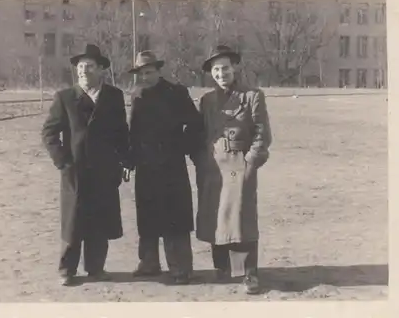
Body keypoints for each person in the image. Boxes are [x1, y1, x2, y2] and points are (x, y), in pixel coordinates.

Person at [41, 44, 130, 286]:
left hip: (105, 171)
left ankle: (96, 269)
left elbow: (121, 132)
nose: (83, 71)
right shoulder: (65, 97)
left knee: (100, 222)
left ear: (101, 70)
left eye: (89, 66)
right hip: (75, 172)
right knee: (73, 222)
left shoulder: (114, 96)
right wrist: (63, 162)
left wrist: (125, 160)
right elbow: (49, 133)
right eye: (80, 66)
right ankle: (66, 270)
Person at [194, 45, 272, 294]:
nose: (221, 73)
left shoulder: (252, 95)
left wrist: (251, 160)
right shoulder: (206, 100)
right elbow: (200, 133)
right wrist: (200, 159)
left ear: (235, 68)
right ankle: (222, 268)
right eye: (216, 69)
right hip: (213, 166)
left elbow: (262, 133)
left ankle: (250, 274)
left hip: (240, 163)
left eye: (225, 68)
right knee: (216, 216)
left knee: (243, 217)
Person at [125, 50, 204, 284]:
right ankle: (149, 263)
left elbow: (195, 124)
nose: (145, 77)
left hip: (172, 165)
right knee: (147, 215)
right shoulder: (137, 95)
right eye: (141, 73)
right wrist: (130, 160)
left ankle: (181, 267)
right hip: (146, 165)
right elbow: (133, 130)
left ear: (159, 71)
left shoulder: (177, 93)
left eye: (149, 72)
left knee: (175, 216)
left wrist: (181, 146)